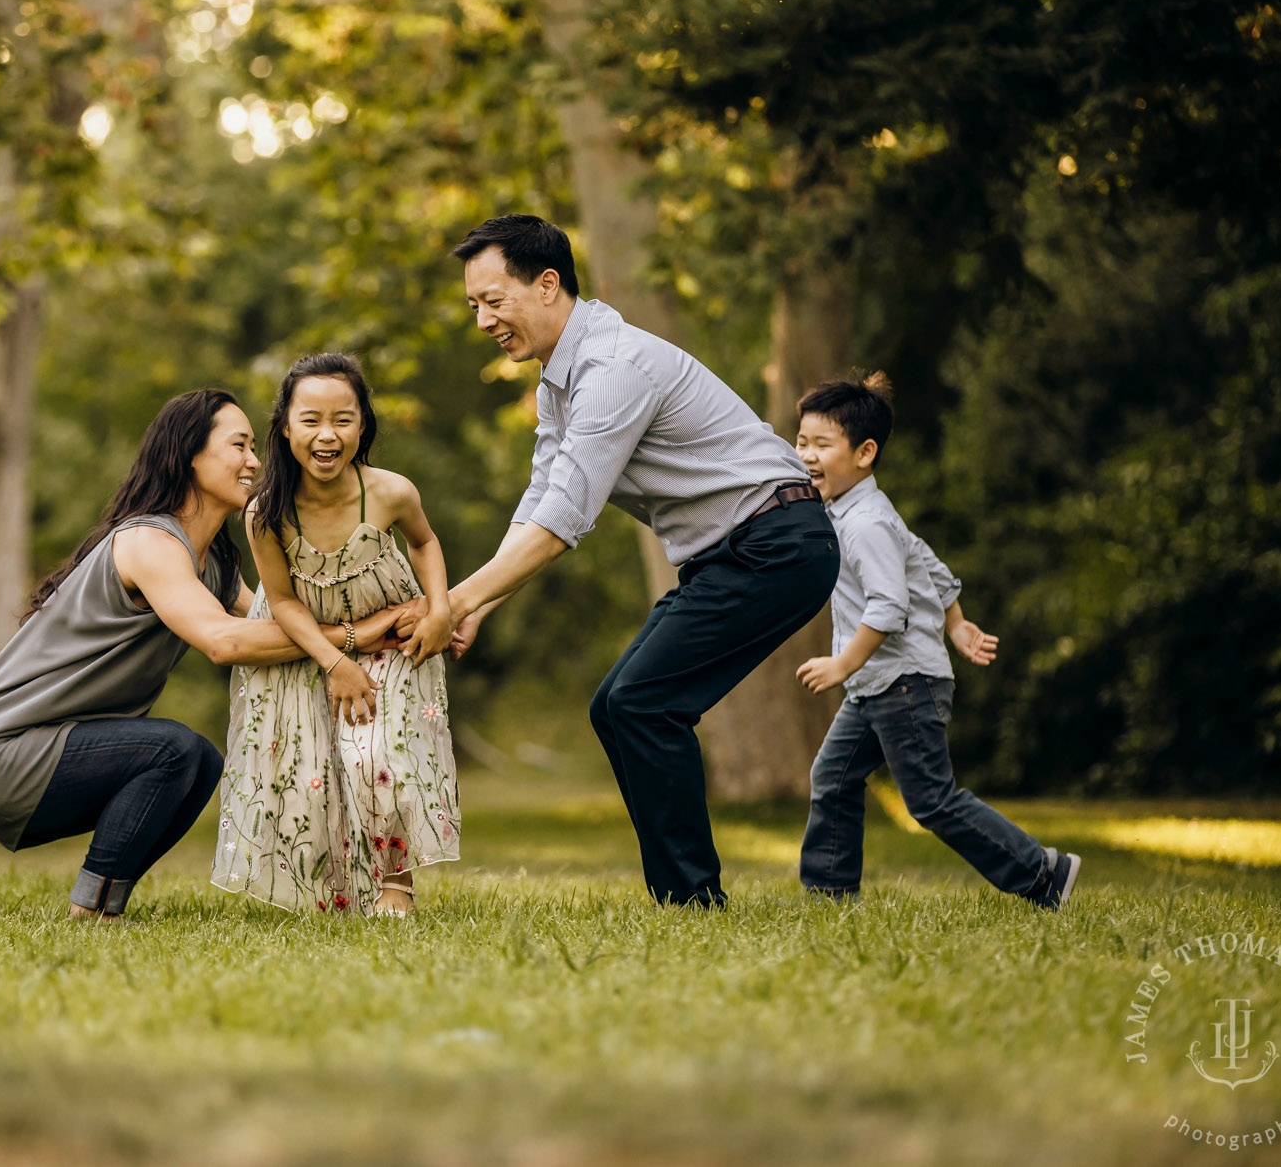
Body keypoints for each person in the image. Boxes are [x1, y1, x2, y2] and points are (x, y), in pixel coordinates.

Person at [439, 214, 839, 907]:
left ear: (547, 284)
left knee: (643, 703)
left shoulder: (612, 366)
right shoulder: (558, 383)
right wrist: (482, 602)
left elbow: (565, 519)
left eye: (493, 300)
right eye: (473, 304)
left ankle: (691, 900)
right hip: (730, 554)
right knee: (617, 707)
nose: (482, 320)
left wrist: (452, 602)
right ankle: (680, 895)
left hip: (777, 543)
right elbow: (541, 496)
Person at [0, 388, 418, 922]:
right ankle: (92, 911)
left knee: (204, 764)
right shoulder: (149, 542)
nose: (255, 461)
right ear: (191, 453)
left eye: (255, 446)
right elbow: (226, 642)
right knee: (174, 750)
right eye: (239, 445)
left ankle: (103, 901)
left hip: (41, 754)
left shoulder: (211, 565)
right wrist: (359, 633)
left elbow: (286, 624)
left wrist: (424, 613)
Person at [792, 373, 1082, 908]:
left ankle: (1042, 872)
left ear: (865, 453)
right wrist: (955, 620)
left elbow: (888, 605)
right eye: (802, 441)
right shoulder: (856, 512)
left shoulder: (864, 524)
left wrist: (841, 664)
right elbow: (922, 556)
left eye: (821, 445)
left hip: (903, 684)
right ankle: (829, 896)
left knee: (930, 800)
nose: (806, 455)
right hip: (882, 683)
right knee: (832, 778)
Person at [212, 353, 460, 917]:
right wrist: (335, 661)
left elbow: (424, 543)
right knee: (312, 771)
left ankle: (396, 885)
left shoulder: (390, 491)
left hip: (394, 634)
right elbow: (279, 602)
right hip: (311, 645)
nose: (327, 435)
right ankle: (337, 891)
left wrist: (440, 608)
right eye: (311, 420)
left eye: (343, 420)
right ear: (285, 427)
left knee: (379, 757)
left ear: (363, 425)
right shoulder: (265, 514)